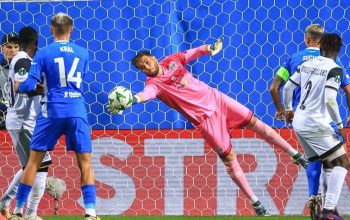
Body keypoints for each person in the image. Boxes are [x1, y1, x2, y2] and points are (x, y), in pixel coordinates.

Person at [108, 37, 308, 216]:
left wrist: (210, 48)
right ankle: (257, 204)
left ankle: (296, 155)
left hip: (218, 100)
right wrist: (132, 100)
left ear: (153, 57)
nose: (146, 66)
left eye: (147, 61)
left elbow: (193, 53)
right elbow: (147, 95)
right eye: (142, 67)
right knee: (229, 159)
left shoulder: (172, 60)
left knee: (257, 124)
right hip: (205, 121)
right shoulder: (153, 84)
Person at [8, 13, 99, 220]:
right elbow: (79, 78)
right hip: (77, 110)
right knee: (85, 163)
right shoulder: (83, 53)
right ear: (72, 29)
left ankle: (19, 211)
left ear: (51, 30)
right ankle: (91, 213)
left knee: (33, 163)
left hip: (52, 111)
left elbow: (30, 84)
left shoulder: (44, 53)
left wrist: (20, 86)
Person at [269, 24, 350, 218]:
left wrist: (286, 110)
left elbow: (282, 88)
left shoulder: (301, 62)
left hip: (299, 121)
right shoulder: (336, 68)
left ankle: (319, 203)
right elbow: (333, 98)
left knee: (323, 162)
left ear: (310, 40)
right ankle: (329, 210)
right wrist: (341, 126)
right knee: (342, 161)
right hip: (319, 122)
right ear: (338, 50)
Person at [0, 27, 52, 220]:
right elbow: (22, 87)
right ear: (35, 44)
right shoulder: (23, 59)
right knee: (41, 165)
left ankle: (5, 202)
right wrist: (50, 89)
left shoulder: (25, 61)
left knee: (30, 167)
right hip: (24, 121)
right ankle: (30, 214)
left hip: (23, 120)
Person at [0, 32, 19, 129]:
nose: (13, 50)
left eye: (16, 47)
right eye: (9, 47)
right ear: (2, 48)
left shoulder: (25, 71)